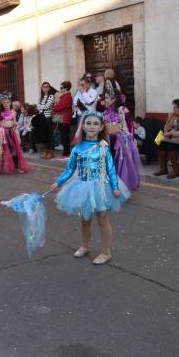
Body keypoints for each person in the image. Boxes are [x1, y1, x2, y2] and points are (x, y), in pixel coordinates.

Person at [50, 111, 130, 264]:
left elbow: (111, 169)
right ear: (83, 126)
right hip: (82, 186)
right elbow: (70, 169)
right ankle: (85, 246)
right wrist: (58, 182)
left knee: (102, 218)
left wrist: (114, 187)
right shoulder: (77, 148)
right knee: (85, 218)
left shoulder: (103, 147)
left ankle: (106, 252)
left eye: (95, 124)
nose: (92, 126)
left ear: (101, 128)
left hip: (100, 186)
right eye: (88, 123)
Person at [103, 94, 140, 190]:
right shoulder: (106, 111)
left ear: (114, 99)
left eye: (107, 98)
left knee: (120, 165)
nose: (105, 100)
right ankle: (111, 185)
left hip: (121, 142)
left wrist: (131, 139)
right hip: (108, 141)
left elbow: (130, 126)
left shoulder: (123, 110)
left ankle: (121, 187)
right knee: (109, 163)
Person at [0, 95, 29, 174]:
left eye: (8, 102)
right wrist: (1, 128)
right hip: (3, 134)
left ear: (10, 103)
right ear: (2, 104)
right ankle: (0, 168)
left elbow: (14, 122)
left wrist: (14, 126)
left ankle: (17, 167)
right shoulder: (0, 113)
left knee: (14, 150)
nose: (6, 104)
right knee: (3, 151)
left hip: (11, 133)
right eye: (4, 103)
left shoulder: (13, 112)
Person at [36, 82, 58, 159]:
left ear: (49, 88)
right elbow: (38, 107)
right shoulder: (40, 97)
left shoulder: (51, 96)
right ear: (42, 88)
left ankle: (51, 152)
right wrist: (41, 107)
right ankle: (46, 151)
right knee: (44, 136)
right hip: (41, 118)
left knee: (49, 135)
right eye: (44, 87)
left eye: (47, 87)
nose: (45, 88)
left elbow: (48, 106)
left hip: (48, 117)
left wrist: (41, 107)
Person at [53, 81, 74, 159]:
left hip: (64, 119)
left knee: (64, 136)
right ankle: (66, 152)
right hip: (62, 118)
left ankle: (66, 153)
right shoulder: (64, 97)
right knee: (63, 136)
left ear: (66, 88)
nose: (60, 89)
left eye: (61, 87)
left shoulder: (67, 97)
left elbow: (57, 107)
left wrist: (55, 102)